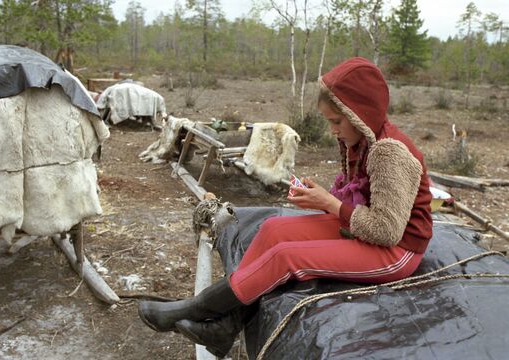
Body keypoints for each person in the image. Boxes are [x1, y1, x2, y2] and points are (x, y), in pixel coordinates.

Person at [138, 57, 433, 358]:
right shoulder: (360, 141)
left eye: (336, 121)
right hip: (363, 228)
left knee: (286, 257)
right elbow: (358, 197)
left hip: (398, 251)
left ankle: (195, 308)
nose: (332, 130)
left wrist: (330, 204)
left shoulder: (388, 153)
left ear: (360, 114)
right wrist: (322, 197)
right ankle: (228, 324)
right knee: (272, 229)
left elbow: (387, 231)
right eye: (329, 121)